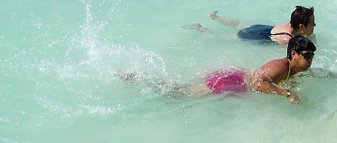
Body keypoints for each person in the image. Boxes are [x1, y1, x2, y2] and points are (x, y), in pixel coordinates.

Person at [121, 35, 316, 103]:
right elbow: (258, 84)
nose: (310, 59)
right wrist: (286, 93)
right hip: (231, 81)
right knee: (177, 95)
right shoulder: (278, 67)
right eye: (307, 56)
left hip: (235, 78)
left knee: (179, 90)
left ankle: (140, 77)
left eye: (312, 55)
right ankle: (138, 77)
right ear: (293, 55)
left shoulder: (292, 68)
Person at [203, 6, 316, 46]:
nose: (315, 25)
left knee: (237, 24)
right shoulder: (287, 39)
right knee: (220, 38)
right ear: (301, 26)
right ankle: (202, 29)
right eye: (312, 23)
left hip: (263, 27)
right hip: (256, 34)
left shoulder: (291, 24)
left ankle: (214, 17)